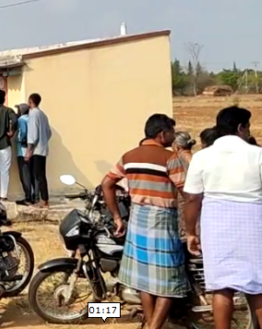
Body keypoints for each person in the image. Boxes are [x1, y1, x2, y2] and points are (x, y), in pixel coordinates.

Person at [102, 114, 188, 329]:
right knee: (167, 278)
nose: (173, 136)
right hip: (162, 220)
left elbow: (106, 184)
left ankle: (151, 323)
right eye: (171, 132)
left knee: (144, 278)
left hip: (137, 219)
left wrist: (116, 217)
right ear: (162, 134)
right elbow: (187, 193)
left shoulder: (129, 156)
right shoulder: (170, 158)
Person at [183, 106, 262, 328]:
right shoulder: (258, 155)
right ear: (241, 127)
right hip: (253, 222)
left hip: (216, 225)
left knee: (221, 288)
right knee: (258, 286)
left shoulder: (201, 157)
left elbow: (192, 199)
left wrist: (191, 232)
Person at [26, 93, 52, 208]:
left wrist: (29, 150)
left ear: (30, 101)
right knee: (42, 175)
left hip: (36, 149)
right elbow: (49, 133)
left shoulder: (33, 114)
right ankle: (45, 199)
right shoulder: (43, 115)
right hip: (43, 148)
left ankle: (44, 200)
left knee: (38, 175)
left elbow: (33, 134)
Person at [14, 104, 36, 205]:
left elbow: (22, 132)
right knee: (32, 174)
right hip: (33, 151)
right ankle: (34, 196)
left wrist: (18, 139)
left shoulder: (21, 119)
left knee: (24, 174)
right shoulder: (32, 119)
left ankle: (28, 197)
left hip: (23, 151)